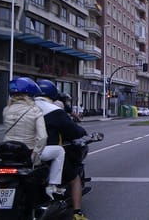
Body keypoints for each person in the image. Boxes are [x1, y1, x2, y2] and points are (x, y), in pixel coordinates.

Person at [2, 77, 65, 199]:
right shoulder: (35, 110)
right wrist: (35, 156)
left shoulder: (6, 110)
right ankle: (52, 186)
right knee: (60, 151)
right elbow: (42, 137)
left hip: (10, 153)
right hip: (27, 152)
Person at [35, 79, 89, 220]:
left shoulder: (27, 108)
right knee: (74, 177)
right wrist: (83, 133)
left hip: (22, 152)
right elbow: (72, 130)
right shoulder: (54, 111)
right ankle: (77, 213)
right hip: (45, 152)